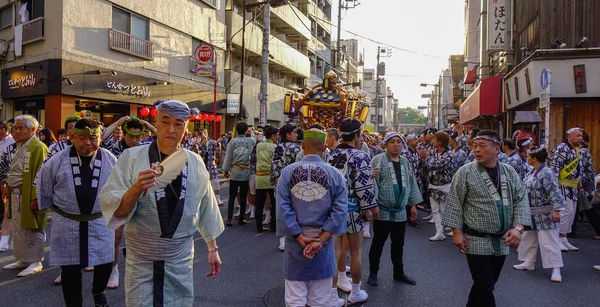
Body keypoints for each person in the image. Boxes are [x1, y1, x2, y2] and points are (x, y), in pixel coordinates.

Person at [98, 100, 224, 306]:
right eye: (165, 122)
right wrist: (135, 189)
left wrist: (213, 249)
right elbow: (116, 212)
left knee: (178, 302)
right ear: (156, 123)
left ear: (186, 128)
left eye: (179, 124)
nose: (171, 130)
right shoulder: (131, 157)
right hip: (141, 257)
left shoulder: (194, 161)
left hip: (179, 258)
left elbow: (206, 205)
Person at [442, 129, 530, 307]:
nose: (476, 150)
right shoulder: (465, 172)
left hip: (501, 240)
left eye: (482, 146)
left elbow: (521, 199)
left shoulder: (509, 171)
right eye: (474, 146)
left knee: (484, 287)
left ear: (497, 149)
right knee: (486, 287)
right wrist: (456, 232)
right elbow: (454, 202)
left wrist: (518, 227)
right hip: (476, 239)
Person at [36, 118, 116, 306]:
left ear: (100, 138)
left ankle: (99, 292)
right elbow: (45, 186)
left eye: (93, 138)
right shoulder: (56, 161)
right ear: (72, 137)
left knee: (105, 263)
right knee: (70, 269)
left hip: (99, 221)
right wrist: (47, 206)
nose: (87, 143)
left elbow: (118, 187)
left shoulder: (110, 159)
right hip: (67, 222)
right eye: (81, 138)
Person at [276, 128, 347, 307]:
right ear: (324, 148)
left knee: (295, 297)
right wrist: (321, 240)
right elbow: (340, 210)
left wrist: (299, 236)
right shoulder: (335, 174)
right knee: (320, 299)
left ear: (302, 145)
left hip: (295, 241)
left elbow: (283, 208)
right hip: (323, 241)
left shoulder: (287, 172)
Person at [98, 115, 157, 289]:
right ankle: (113, 270)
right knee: (115, 238)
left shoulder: (146, 148)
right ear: (124, 134)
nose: (134, 140)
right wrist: (118, 122)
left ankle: (142, 271)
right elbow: (101, 138)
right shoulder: (115, 148)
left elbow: (162, 138)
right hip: (119, 196)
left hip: (143, 197)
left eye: (138, 136)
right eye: (131, 136)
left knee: (143, 237)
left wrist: (147, 124)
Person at [326, 118, 378, 305]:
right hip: (353, 210)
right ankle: (355, 292)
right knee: (355, 252)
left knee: (334, 251)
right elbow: (364, 186)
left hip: (333, 210)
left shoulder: (330, 155)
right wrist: (369, 209)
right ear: (356, 135)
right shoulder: (360, 156)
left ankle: (332, 295)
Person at [368, 132, 423, 287]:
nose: (396, 144)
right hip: (382, 210)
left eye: (399, 142)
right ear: (385, 144)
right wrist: (373, 205)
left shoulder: (405, 162)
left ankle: (398, 273)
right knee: (378, 242)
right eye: (392, 141)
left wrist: (412, 205)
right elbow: (372, 184)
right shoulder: (377, 160)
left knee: (398, 244)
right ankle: (373, 272)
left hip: (400, 211)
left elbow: (411, 182)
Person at [0, 115, 48, 277]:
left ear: (33, 130)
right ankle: (23, 258)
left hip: (29, 193)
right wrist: (7, 186)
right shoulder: (19, 146)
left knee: (32, 226)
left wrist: (36, 197)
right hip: (16, 192)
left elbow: (41, 175)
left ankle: (35, 261)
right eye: (15, 128)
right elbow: (13, 171)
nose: (17, 131)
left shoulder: (38, 147)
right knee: (19, 226)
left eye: (21, 128)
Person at [512, 146, 564, 283]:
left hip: (546, 212)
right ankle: (529, 262)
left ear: (534, 159)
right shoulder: (531, 171)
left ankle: (556, 268)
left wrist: (557, 210)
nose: (527, 158)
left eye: (529, 156)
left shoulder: (546, 173)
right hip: (531, 212)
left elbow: (554, 192)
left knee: (549, 241)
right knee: (528, 238)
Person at [550, 127, 584, 251]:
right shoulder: (561, 148)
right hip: (562, 185)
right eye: (577, 135)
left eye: (581, 136)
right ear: (569, 136)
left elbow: (579, 169)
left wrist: (580, 185)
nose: (580, 138)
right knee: (565, 213)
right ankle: (558, 238)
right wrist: (554, 188)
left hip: (573, 186)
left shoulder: (577, 150)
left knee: (571, 214)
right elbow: (555, 168)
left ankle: (564, 238)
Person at [271, 124, 302, 251]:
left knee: (281, 210)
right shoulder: (296, 149)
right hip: (292, 183)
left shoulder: (276, 148)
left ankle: (282, 240)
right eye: (294, 133)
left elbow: (272, 167)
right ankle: (295, 235)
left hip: (279, 182)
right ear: (288, 135)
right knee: (295, 210)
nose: (296, 135)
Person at [420, 131, 453, 241]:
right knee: (435, 210)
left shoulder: (448, 154)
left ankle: (453, 228)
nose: (432, 141)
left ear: (439, 142)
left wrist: (427, 159)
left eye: (434, 139)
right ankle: (439, 232)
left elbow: (437, 166)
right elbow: (427, 165)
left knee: (444, 210)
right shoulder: (433, 152)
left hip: (444, 185)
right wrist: (427, 159)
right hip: (432, 184)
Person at [223, 121, 256, 226]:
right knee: (243, 196)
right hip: (245, 172)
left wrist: (226, 169)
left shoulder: (232, 142)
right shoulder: (250, 140)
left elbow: (228, 157)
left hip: (235, 171)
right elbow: (255, 139)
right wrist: (251, 132)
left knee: (232, 196)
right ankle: (241, 219)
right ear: (246, 130)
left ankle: (229, 219)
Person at [255, 126, 278, 232]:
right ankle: (273, 224)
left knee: (259, 203)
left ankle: (258, 226)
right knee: (273, 202)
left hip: (259, 176)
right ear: (272, 136)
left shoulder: (259, 146)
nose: (277, 137)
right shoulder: (275, 147)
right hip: (271, 177)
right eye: (276, 135)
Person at [402, 133, 423, 228]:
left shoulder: (416, 151)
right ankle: (408, 218)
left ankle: (411, 216)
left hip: (417, 178)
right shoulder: (405, 152)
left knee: (413, 196)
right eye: (414, 139)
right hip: (408, 178)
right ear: (409, 141)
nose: (417, 140)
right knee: (408, 197)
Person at [199, 129, 224, 206]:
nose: (204, 134)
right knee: (203, 182)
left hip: (211, 164)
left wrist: (218, 143)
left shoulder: (212, 142)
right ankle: (205, 199)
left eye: (205, 133)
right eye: (202, 133)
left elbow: (218, 146)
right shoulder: (199, 143)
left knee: (215, 181)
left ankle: (218, 198)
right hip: (202, 165)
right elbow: (199, 149)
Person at [0, 122, 14, 251]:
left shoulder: (11, 143)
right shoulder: (9, 147)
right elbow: (3, 167)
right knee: (7, 212)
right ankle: (3, 242)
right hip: (7, 181)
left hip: (23, 185)